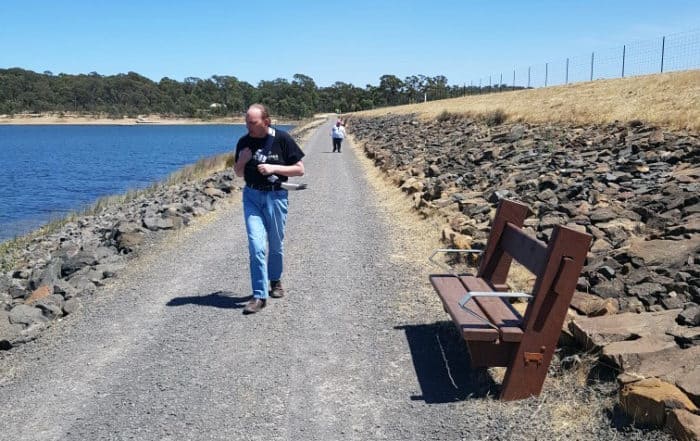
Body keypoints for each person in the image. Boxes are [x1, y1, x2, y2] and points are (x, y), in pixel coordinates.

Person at [234, 104, 305, 314]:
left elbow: (300, 170)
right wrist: (243, 160)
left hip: (276, 196)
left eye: (252, 123)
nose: (248, 126)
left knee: (275, 243)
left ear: (266, 122)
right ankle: (259, 295)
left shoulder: (282, 139)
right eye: (246, 122)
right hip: (252, 197)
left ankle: (275, 281)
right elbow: (238, 173)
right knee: (256, 245)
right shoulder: (244, 142)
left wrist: (274, 168)